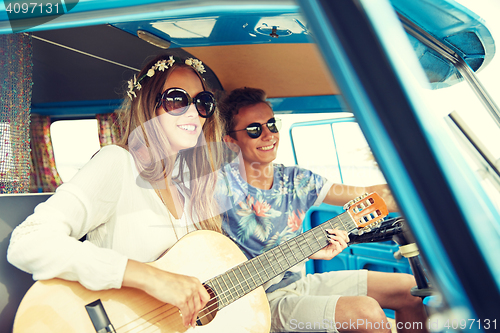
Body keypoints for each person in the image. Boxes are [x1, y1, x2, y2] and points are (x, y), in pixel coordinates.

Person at [7, 54, 224, 328]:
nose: (192, 112)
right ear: (149, 105)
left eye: (203, 102)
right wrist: (150, 277)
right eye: (177, 100)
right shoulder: (118, 163)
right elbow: (28, 241)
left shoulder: (192, 186)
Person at [216, 87, 428, 333]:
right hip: (258, 302)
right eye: (255, 129)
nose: (269, 135)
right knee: (367, 313)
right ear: (231, 141)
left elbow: (367, 195)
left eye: (272, 125)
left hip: (299, 284)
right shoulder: (219, 189)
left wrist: (426, 191)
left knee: (409, 290)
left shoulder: (297, 180)